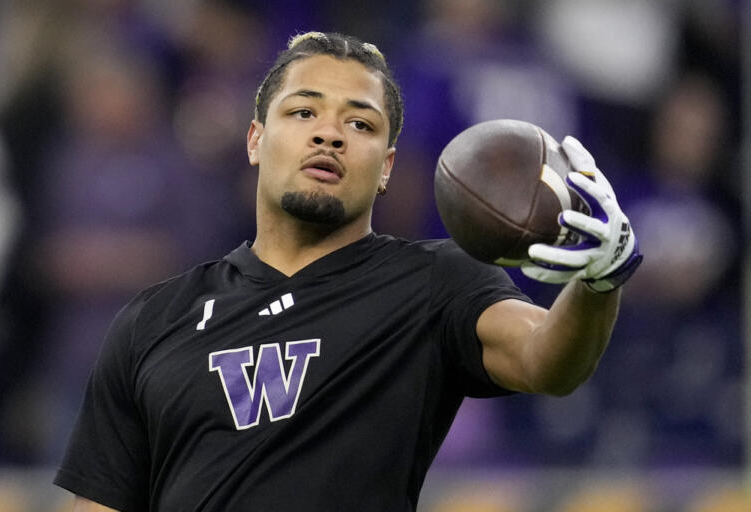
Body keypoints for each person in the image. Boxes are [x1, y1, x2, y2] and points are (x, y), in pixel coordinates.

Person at [54, 32, 641, 512]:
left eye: (360, 124)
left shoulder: (434, 282)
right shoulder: (154, 318)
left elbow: (546, 360)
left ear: (386, 168)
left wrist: (599, 280)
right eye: (304, 111)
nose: (330, 133)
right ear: (256, 139)